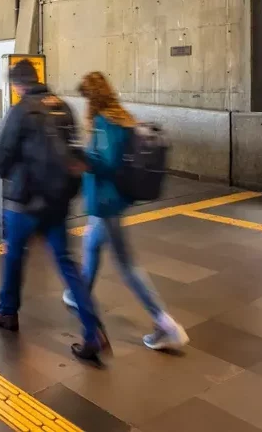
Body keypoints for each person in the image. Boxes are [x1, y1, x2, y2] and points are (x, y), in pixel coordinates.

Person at [0, 59, 107, 366]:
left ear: (17, 84)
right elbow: (75, 149)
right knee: (66, 263)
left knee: (14, 255)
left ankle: (7, 312)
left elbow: (2, 160)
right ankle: (94, 331)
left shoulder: (21, 110)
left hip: (26, 201)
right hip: (58, 200)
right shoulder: (63, 106)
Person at [67, 71, 188, 351]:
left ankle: (165, 324)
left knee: (127, 266)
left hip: (107, 202)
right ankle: (79, 294)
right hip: (112, 200)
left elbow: (107, 163)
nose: (85, 104)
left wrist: (82, 158)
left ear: (92, 97)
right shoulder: (122, 117)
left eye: (86, 98)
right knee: (91, 244)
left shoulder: (104, 122)